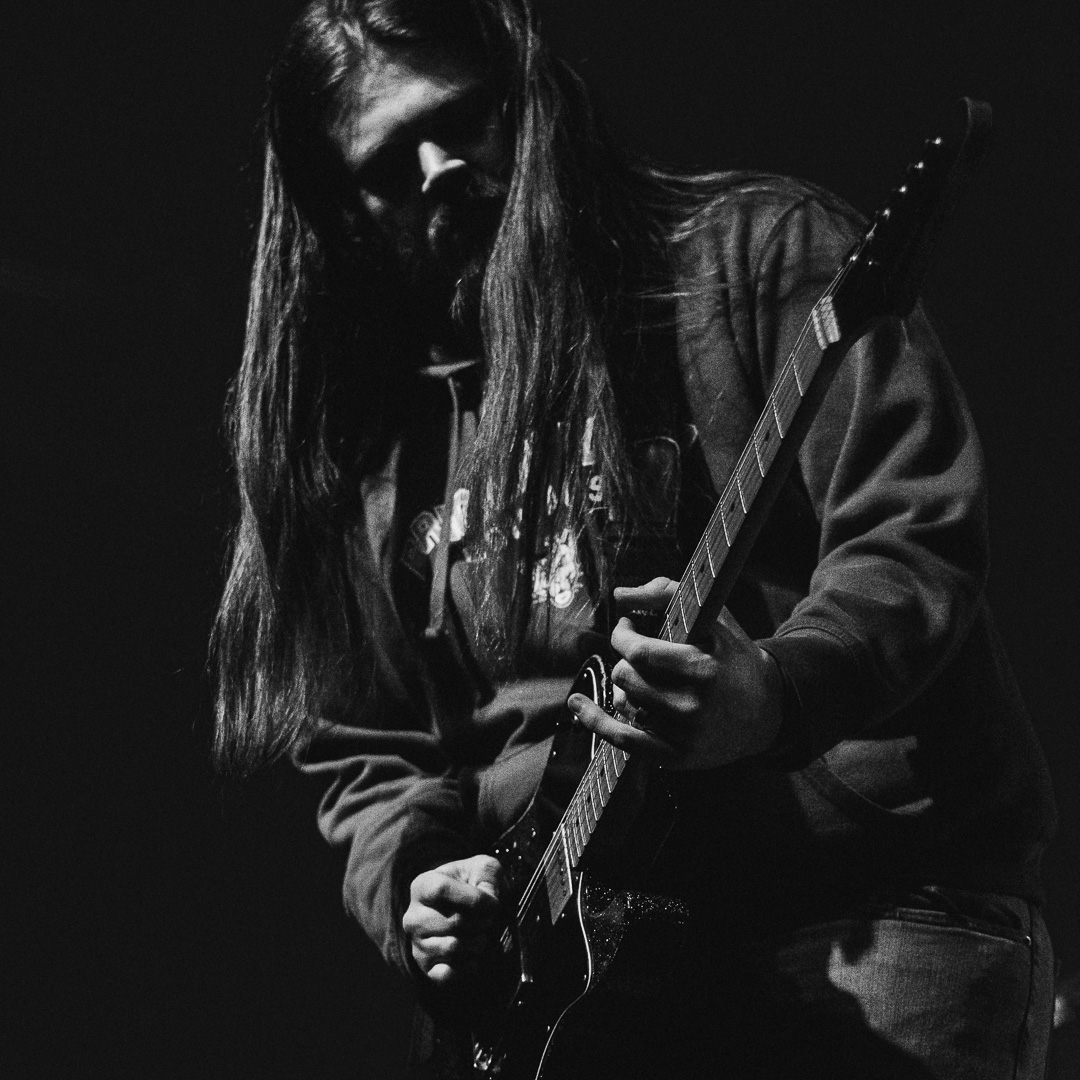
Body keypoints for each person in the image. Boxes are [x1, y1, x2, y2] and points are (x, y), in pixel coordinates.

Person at [212, 1, 1057, 1076]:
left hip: (860, 904)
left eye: (461, 120)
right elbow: (366, 750)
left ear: (529, 100)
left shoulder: (752, 256)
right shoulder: (377, 444)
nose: (438, 169)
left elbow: (911, 535)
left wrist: (773, 694)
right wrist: (420, 880)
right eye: (388, 162)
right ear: (342, 210)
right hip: (573, 988)